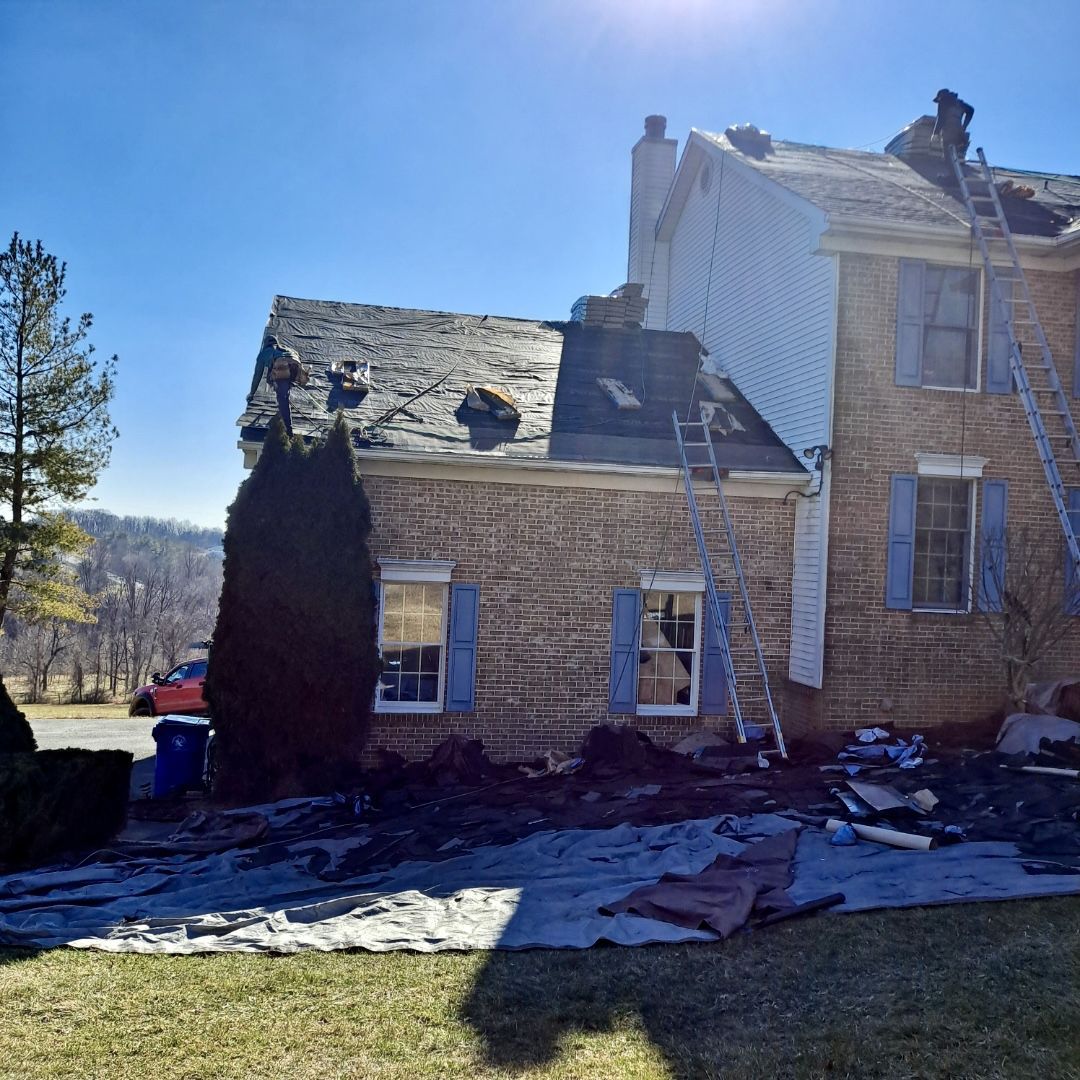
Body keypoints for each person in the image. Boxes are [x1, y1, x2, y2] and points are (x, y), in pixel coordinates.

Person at [252, 334, 302, 435]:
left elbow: (257, 375)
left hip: (281, 368)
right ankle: (283, 411)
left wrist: (252, 393)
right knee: (284, 391)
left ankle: (288, 428)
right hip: (295, 368)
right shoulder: (286, 349)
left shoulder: (264, 353)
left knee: (282, 398)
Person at [933, 89, 974, 159]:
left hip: (948, 131)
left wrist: (935, 133)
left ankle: (949, 164)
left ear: (941, 96)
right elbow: (971, 110)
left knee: (948, 155)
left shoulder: (943, 102)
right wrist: (964, 126)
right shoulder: (959, 103)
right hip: (959, 132)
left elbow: (941, 118)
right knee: (957, 155)